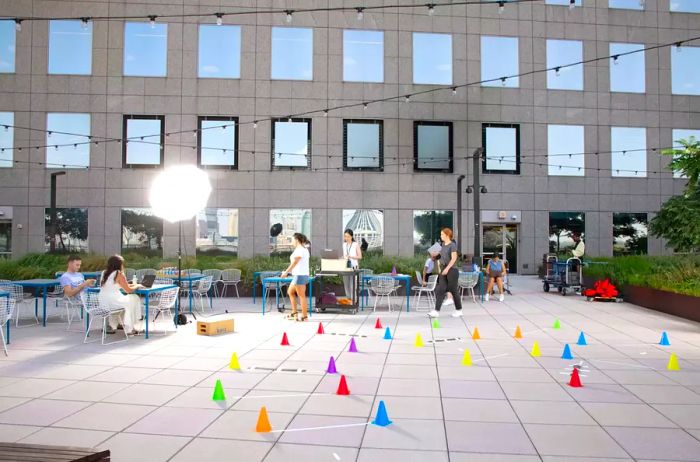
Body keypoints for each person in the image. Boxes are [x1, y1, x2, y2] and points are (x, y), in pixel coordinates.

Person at [99, 255, 144, 335]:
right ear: (119, 264)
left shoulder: (104, 273)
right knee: (134, 298)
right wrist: (138, 286)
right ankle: (130, 328)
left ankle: (122, 323)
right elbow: (128, 290)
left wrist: (135, 285)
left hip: (104, 302)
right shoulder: (118, 273)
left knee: (128, 300)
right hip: (114, 302)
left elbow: (121, 286)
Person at [428, 228, 463, 318]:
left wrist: (447, 269)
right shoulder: (443, 245)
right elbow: (441, 257)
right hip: (444, 269)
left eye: (442, 234)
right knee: (440, 290)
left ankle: (459, 310)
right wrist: (434, 256)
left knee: (454, 290)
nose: (441, 236)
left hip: (452, 270)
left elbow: (454, 258)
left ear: (447, 235)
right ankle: (436, 311)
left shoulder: (453, 245)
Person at [281, 233, 310, 322]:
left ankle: (304, 316)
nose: (292, 241)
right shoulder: (303, 249)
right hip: (300, 275)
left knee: (301, 296)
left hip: (299, 275)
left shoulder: (300, 249)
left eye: (292, 239)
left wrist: (286, 272)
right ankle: (294, 313)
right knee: (290, 292)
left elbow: (295, 262)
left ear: (297, 240)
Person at [342, 229, 362, 299]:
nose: (346, 238)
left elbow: (360, 256)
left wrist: (351, 256)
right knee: (346, 285)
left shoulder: (355, 244)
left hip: (354, 267)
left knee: (352, 286)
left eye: (348, 236)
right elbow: (344, 256)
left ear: (351, 236)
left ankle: (353, 303)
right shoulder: (344, 245)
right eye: (345, 236)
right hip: (345, 267)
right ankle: (348, 301)